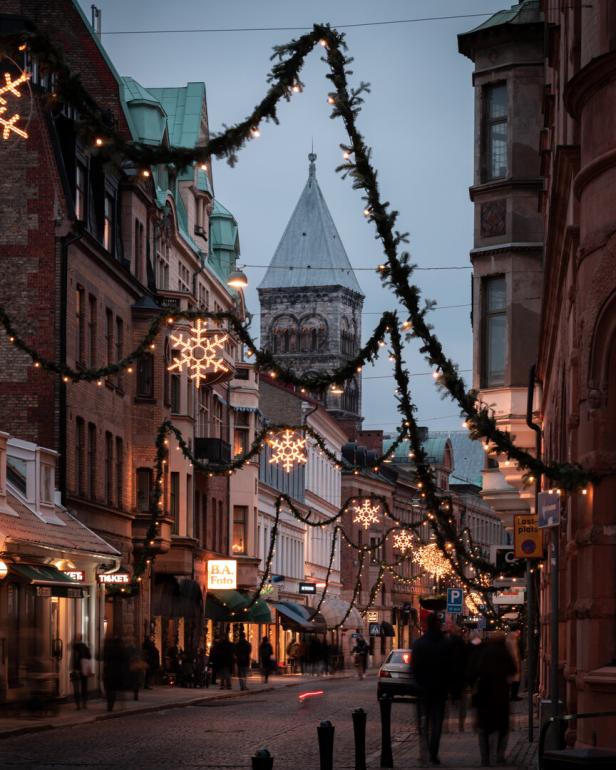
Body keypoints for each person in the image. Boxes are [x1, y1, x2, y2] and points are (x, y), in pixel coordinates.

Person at [468, 630, 516, 767]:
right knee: (502, 727)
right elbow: (513, 670)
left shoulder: (484, 652)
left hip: (484, 695)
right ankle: (499, 756)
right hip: (500, 695)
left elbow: (474, 671)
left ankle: (485, 758)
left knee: (484, 728)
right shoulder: (505, 653)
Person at [411, 613, 451, 766]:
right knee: (437, 723)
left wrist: (418, 683)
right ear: (438, 625)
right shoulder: (445, 643)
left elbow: (414, 667)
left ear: (427, 625)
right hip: (440, 689)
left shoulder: (419, 643)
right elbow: (450, 668)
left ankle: (425, 751)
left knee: (424, 722)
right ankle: (433, 753)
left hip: (423, 689)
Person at [448, 626, 469, 732]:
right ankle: (461, 725)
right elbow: (467, 661)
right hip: (461, 679)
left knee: (449, 703)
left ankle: (447, 726)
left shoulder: (446, 643)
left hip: (449, 679)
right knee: (462, 704)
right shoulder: (463, 644)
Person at [102, 635, 125, 712]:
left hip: (109, 672)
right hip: (118, 672)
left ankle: (110, 705)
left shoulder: (108, 649)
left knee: (110, 689)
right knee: (115, 690)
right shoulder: (120, 650)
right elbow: (125, 660)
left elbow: (102, 657)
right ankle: (114, 704)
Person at [70, 633, 92, 710]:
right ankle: (84, 704)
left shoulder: (75, 647)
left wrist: (73, 668)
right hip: (84, 670)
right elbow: (89, 657)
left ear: (76, 639)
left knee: (76, 688)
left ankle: (78, 705)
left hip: (77, 670)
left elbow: (74, 659)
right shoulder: (85, 647)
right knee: (84, 687)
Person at [506, 628, 522, 701]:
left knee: (513, 681)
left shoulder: (510, 640)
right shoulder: (512, 641)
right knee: (514, 681)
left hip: (513, 663)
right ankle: (513, 696)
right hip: (512, 663)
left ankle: (513, 695)